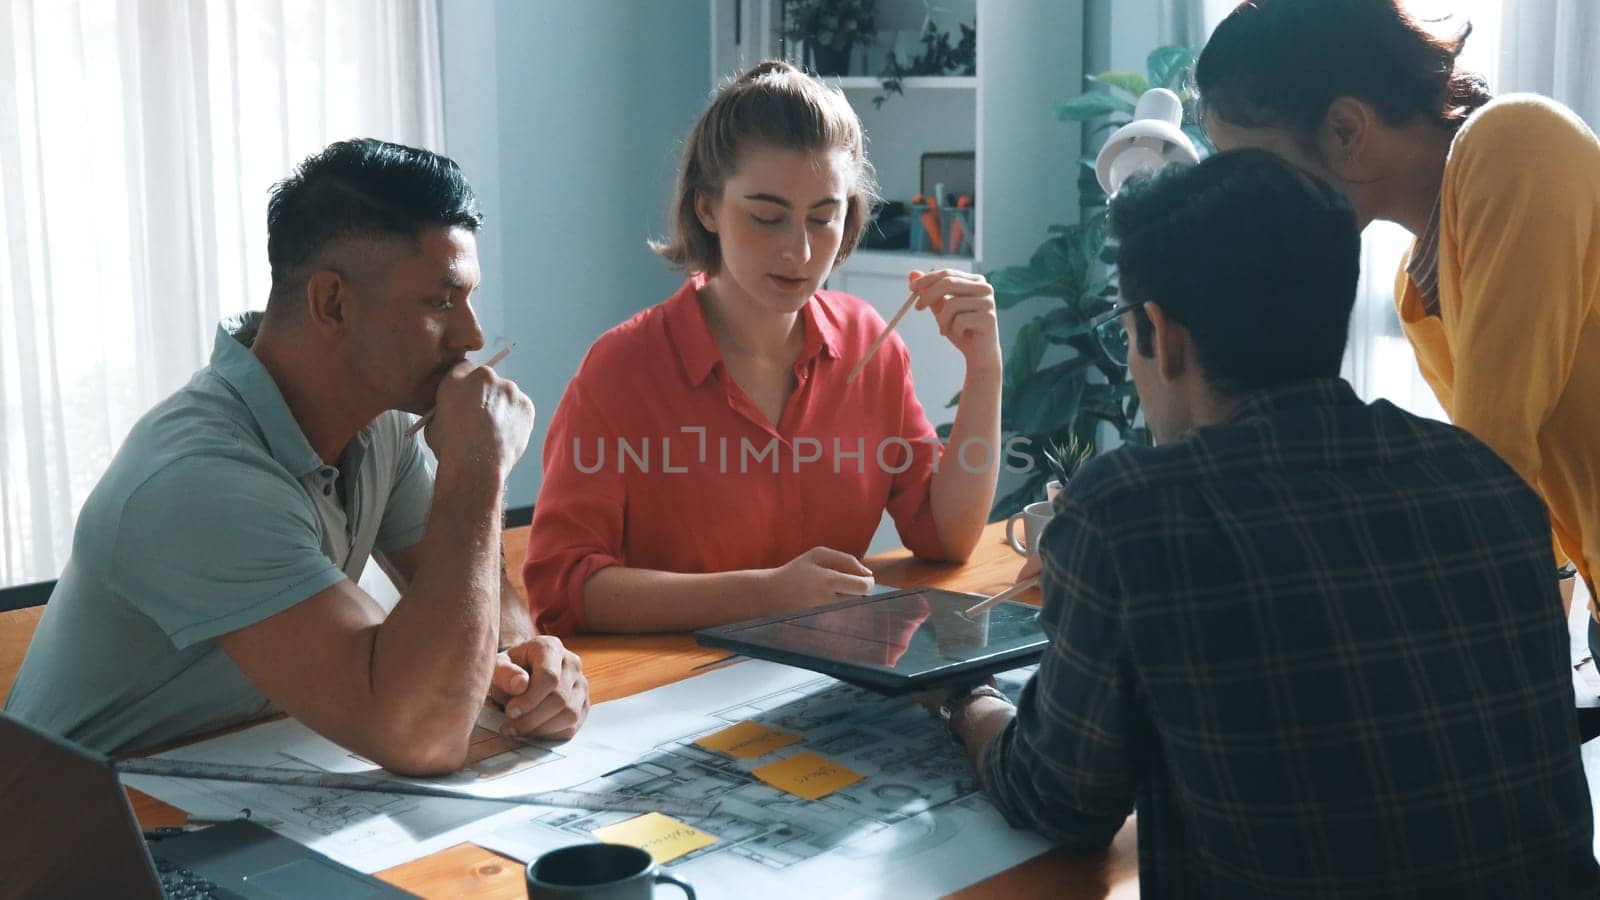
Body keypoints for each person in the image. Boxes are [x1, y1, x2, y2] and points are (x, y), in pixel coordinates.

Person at [933, 150, 1600, 897]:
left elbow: (1059, 796)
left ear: (1161, 331)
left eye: (1126, 326)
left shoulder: (1131, 513)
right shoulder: (1487, 483)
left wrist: (971, 706)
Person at [5, 139, 588, 775]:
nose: (473, 335)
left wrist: (532, 657)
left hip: (235, 792)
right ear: (332, 302)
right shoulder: (201, 481)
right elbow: (420, 734)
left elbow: (467, 592)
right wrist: (479, 470)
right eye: (441, 301)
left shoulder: (382, 426)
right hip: (83, 841)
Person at [521, 61, 1002, 634]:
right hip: (671, 693)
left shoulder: (871, 346)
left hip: (829, 681)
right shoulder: (622, 368)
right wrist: (764, 594)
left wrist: (984, 366)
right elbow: (562, 588)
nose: (798, 252)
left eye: (824, 219)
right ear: (706, 208)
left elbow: (945, 536)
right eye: (767, 217)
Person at [1193, 0, 1600, 630]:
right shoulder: (1419, 285)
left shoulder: (1516, 143)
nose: (1253, 204)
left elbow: (1490, 468)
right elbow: (1521, 507)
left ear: (1347, 130)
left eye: (1257, 169)